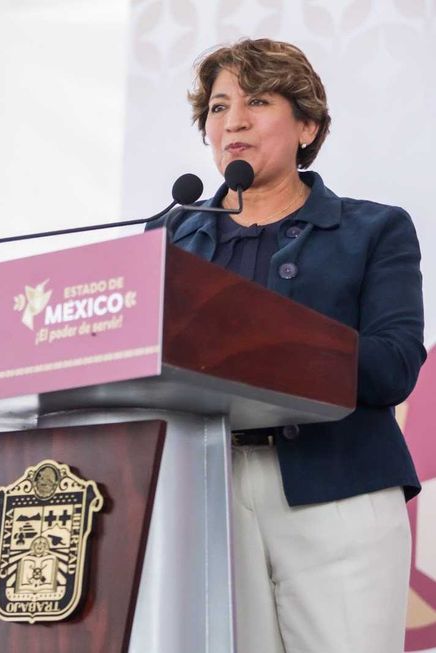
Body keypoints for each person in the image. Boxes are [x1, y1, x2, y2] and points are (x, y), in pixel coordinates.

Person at [147, 38, 426, 653]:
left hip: (337, 489)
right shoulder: (165, 237)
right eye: (219, 107)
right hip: (204, 497)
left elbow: (394, 365)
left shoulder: (373, 229)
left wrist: (279, 343)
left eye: (258, 102)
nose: (234, 122)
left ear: (307, 126)